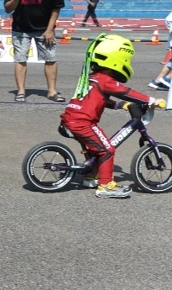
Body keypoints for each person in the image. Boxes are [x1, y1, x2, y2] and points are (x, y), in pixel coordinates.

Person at [60, 34, 166, 198]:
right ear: (118, 59)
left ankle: (91, 175)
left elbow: (100, 100)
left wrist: (119, 105)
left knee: (96, 147)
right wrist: (152, 100)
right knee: (107, 150)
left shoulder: (92, 78)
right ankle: (106, 186)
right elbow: (126, 92)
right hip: (83, 122)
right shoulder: (105, 80)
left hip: (70, 118)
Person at [4, 0, 65, 103]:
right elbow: (8, 8)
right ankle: (21, 92)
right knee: (20, 59)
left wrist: (50, 30)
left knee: (50, 59)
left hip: (45, 28)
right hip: (20, 29)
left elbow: (56, 8)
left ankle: (52, 91)